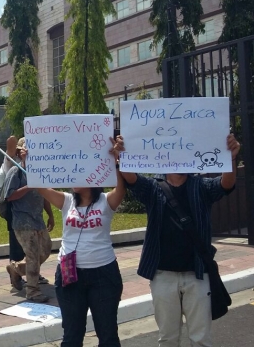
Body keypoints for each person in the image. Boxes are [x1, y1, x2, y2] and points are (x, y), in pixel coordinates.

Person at [117, 134, 240, 347]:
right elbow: (131, 178)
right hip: (162, 275)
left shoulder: (201, 187)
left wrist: (230, 158)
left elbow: (226, 184)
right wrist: (122, 155)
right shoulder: (153, 189)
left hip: (197, 274)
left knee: (201, 339)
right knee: (167, 339)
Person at [34, 136, 126, 346]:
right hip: (69, 276)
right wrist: (30, 162)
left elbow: (121, 187)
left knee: (108, 334)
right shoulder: (66, 201)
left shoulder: (106, 201)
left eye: (80, 171)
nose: (74, 175)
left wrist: (117, 159)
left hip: (103, 275)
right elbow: (39, 186)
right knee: (72, 336)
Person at [0, 136, 54, 291]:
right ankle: (33, 291)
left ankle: (16, 269)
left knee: (46, 250)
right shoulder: (15, 171)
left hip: (38, 219)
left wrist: (50, 214)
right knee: (33, 255)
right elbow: (10, 196)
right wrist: (29, 185)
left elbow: (44, 195)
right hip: (23, 221)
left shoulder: (40, 171)